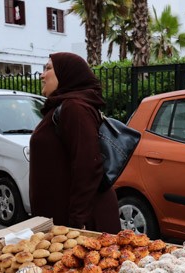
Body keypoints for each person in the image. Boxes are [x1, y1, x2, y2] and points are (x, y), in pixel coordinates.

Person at [29, 52, 120, 233]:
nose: (42, 75)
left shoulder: (74, 108)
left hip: (82, 225)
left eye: (48, 68)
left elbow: (87, 165)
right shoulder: (64, 106)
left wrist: (77, 221)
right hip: (63, 222)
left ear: (65, 74)